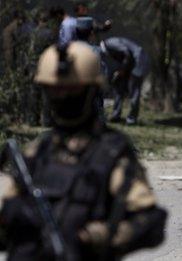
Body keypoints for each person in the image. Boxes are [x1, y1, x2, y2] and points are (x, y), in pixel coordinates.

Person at [0, 42, 167, 260]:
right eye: (55, 90)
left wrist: (95, 236)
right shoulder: (38, 151)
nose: (62, 97)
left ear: (91, 90)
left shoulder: (111, 151)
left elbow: (150, 221)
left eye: (71, 90)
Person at [100, 37, 150, 125]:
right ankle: (116, 115)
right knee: (118, 87)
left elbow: (127, 53)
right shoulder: (109, 48)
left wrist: (122, 70)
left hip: (138, 61)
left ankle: (132, 119)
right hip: (130, 63)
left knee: (134, 90)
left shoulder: (110, 43)